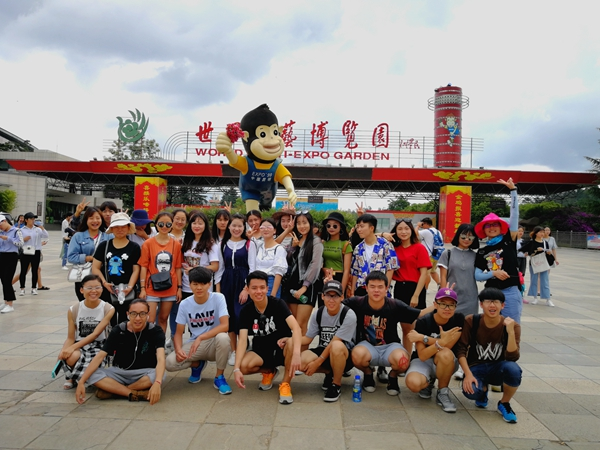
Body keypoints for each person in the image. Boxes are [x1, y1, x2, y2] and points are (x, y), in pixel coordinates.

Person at [344, 271, 432, 396]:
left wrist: (437, 305)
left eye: (380, 287)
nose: (376, 290)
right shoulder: (358, 302)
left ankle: (393, 377)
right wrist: (329, 284)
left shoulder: (394, 304)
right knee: (356, 355)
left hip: (390, 346)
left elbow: (420, 313)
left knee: (403, 361)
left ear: (386, 288)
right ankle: (368, 374)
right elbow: (337, 304)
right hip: (367, 346)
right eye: (372, 286)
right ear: (366, 288)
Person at [75, 299, 166, 405]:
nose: (138, 318)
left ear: (148, 314)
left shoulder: (155, 331)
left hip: (144, 373)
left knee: (160, 375)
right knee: (91, 374)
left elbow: (161, 358)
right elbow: (100, 356)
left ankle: (116, 391)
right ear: (128, 314)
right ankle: (133, 393)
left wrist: (157, 383)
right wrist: (81, 382)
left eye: (142, 314)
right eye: (133, 314)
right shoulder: (119, 330)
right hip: (119, 372)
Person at [233, 270, 302, 404]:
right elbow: (242, 340)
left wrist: (297, 354)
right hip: (262, 350)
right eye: (254, 288)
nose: (259, 291)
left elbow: (296, 328)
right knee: (243, 366)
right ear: (247, 289)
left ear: (267, 288)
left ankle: (285, 384)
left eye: (262, 287)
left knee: (292, 342)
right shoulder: (246, 311)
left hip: (282, 348)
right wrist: (236, 369)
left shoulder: (278, 304)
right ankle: (269, 371)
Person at [455, 287, 522, 423]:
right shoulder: (471, 321)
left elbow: (513, 357)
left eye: (496, 302)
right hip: (476, 367)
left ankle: (504, 403)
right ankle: (483, 390)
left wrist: (510, 333)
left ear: (502, 305)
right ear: (481, 304)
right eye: (488, 301)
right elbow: (461, 350)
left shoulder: (512, 326)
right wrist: (467, 374)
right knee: (471, 392)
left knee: (514, 370)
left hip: (499, 367)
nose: (492, 305)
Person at [165, 267, 232, 394]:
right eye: (195, 284)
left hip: (214, 343)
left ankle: (219, 377)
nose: (199, 288)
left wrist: (201, 337)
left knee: (223, 337)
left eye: (203, 284)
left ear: (209, 284)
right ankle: (197, 365)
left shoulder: (218, 298)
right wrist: (178, 349)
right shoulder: (185, 304)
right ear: (190, 285)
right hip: (195, 345)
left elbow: (225, 326)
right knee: (170, 363)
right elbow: (178, 333)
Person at [405, 287, 464, 413]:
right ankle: (428, 381)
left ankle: (442, 392)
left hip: (446, 362)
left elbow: (448, 346)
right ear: (435, 304)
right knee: (413, 383)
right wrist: (440, 342)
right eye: (443, 304)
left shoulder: (458, 319)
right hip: (424, 360)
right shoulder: (423, 321)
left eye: (451, 305)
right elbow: (422, 355)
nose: (447, 308)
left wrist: (423, 338)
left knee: (445, 353)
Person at [474, 178, 523, 323]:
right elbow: (477, 275)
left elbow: (515, 215)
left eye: (495, 224)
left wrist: (513, 191)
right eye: (488, 226)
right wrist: (493, 273)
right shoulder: (482, 251)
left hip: (510, 291)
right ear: (483, 230)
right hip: (490, 294)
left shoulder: (509, 240)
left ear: (501, 227)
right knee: (491, 326)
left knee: (511, 325)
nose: (491, 228)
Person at [300, 279, 356, 402]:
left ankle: (336, 384)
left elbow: (335, 343)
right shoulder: (318, 313)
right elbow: (308, 338)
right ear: (322, 296)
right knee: (300, 362)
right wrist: (291, 340)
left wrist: (316, 363)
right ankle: (330, 373)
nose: (331, 300)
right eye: (328, 295)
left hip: (344, 355)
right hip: (325, 350)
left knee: (336, 345)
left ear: (342, 297)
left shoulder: (348, 314)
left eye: (335, 296)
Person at [58, 274, 115, 390]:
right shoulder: (74, 309)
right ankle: (73, 377)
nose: (93, 291)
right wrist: (64, 351)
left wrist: (72, 347)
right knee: (71, 357)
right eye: (89, 288)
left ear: (102, 289)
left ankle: (80, 377)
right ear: (81, 290)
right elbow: (71, 337)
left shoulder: (108, 308)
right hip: (80, 344)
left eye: (97, 287)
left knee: (94, 360)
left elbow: (95, 334)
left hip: (99, 345)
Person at [219, 213, 256, 366]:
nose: (236, 228)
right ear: (229, 226)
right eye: (233, 225)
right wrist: (218, 290)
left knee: (241, 315)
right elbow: (220, 268)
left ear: (244, 227)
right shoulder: (223, 243)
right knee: (228, 317)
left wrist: (246, 288)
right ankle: (234, 351)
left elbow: (252, 267)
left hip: (243, 280)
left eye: (239, 226)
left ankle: (243, 348)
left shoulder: (249, 244)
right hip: (227, 281)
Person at [178, 211, 221, 344]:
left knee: (203, 318)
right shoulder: (186, 242)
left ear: (205, 225)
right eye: (194, 223)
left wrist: (195, 269)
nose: (197, 226)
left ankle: (205, 345)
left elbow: (215, 266)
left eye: (200, 223)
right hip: (187, 286)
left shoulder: (211, 244)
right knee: (191, 319)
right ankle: (194, 345)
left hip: (203, 287)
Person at [92, 213, 141, 325]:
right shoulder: (104, 246)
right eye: (116, 227)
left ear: (128, 228)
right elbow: (95, 267)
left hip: (127, 290)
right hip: (108, 288)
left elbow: (136, 270)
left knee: (126, 319)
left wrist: (130, 287)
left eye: (123, 226)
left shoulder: (134, 247)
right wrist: (104, 283)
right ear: (112, 229)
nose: (120, 229)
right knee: (109, 318)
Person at [138, 211, 183, 333]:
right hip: (151, 286)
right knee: (150, 319)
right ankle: (148, 343)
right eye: (161, 224)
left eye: (168, 224)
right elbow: (143, 266)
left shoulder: (176, 245)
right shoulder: (148, 243)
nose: (164, 227)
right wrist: (142, 288)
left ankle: (160, 343)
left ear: (172, 225)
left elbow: (178, 267)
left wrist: (179, 288)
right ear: (156, 225)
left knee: (163, 318)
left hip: (170, 286)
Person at [390, 218, 431, 348]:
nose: (403, 232)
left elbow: (424, 273)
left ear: (412, 230)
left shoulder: (419, 248)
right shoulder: (393, 248)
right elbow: (373, 237)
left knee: (418, 326)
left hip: (416, 288)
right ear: (395, 231)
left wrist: (416, 295)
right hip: (400, 289)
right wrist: (384, 234)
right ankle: (406, 356)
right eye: (400, 229)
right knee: (405, 327)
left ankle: (419, 354)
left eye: (406, 228)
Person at [282, 211, 323, 336]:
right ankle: (297, 348)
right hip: (292, 284)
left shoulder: (316, 241)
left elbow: (315, 265)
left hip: (308, 286)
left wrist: (305, 286)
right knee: (294, 324)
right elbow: (288, 262)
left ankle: (302, 348)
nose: (302, 226)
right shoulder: (295, 239)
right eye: (299, 223)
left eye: (304, 222)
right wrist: (293, 247)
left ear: (310, 224)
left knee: (301, 324)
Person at [350, 213, 399, 297]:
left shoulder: (386, 245)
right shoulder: (358, 248)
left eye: (362, 226)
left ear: (371, 228)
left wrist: (385, 289)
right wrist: (352, 292)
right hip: (361, 289)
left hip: (379, 289)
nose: (359, 230)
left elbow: (390, 269)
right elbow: (355, 271)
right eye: (357, 227)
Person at [67, 207, 109, 300]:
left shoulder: (108, 236)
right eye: (91, 218)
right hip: (84, 276)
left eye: (98, 218)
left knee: (103, 304)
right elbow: (71, 257)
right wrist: (88, 258)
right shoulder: (78, 236)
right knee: (85, 303)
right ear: (86, 220)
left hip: (103, 276)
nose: (95, 221)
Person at [438, 224, 480, 316]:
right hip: (451, 296)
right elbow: (443, 277)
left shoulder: (476, 256)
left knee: (469, 323)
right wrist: (444, 296)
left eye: (470, 237)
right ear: (458, 236)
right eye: (463, 236)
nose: (466, 240)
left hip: (470, 298)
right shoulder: (447, 253)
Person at [320, 212, 353, 301]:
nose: (331, 228)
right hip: (324, 277)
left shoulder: (346, 245)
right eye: (328, 225)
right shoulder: (323, 243)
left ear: (341, 227)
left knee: (336, 304)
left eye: (335, 226)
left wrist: (342, 289)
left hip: (339, 277)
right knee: (324, 304)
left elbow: (346, 270)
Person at [520, 226, 554, 307]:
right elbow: (525, 251)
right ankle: (535, 298)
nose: (542, 233)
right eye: (540, 232)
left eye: (543, 232)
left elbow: (548, 253)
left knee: (545, 281)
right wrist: (535, 251)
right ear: (536, 233)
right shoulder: (531, 242)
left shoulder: (545, 243)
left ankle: (548, 299)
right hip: (534, 263)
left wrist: (548, 253)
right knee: (534, 280)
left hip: (543, 263)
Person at [17, 212, 49, 297]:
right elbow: (18, 241)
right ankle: (22, 288)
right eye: (31, 219)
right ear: (26, 220)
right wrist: (24, 239)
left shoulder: (37, 229)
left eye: (34, 219)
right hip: (25, 251)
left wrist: (42, 228)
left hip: (36, 251)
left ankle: (33, 288)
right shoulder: (22, 230)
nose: (33, 220)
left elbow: (46, 235)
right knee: (23, 270)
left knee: (35, 270)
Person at [254, 218, 287, 296]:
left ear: (274, 230)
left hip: (270, 282)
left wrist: (273, 294)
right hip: (256, 282)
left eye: (269, 227)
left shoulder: (279, 249)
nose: (266, 229)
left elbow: (278, 273)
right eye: (262, 227)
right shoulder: (259, 246)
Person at [414, 217, 443, 290]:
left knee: (426, 273)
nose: (422, 226)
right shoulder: (438, 231)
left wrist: (418, 226)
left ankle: (425, 288)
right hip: (436, 255)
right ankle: (440, 285)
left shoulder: (426, 231)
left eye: (422, 224)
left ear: (426, 224)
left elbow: (414, 233)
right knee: (433, 271)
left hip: (428, 256)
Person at [0, 214, 20, 313]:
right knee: (3, 279)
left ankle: (10, 304)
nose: (0, 228)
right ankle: (6, 301)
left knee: (8, 279)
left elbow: (20, 243)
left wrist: (8, 239)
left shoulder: (16, 231)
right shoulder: (1, 232)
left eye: (0, 225)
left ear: (4, 221)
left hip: (11, 256)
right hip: (2, 255)